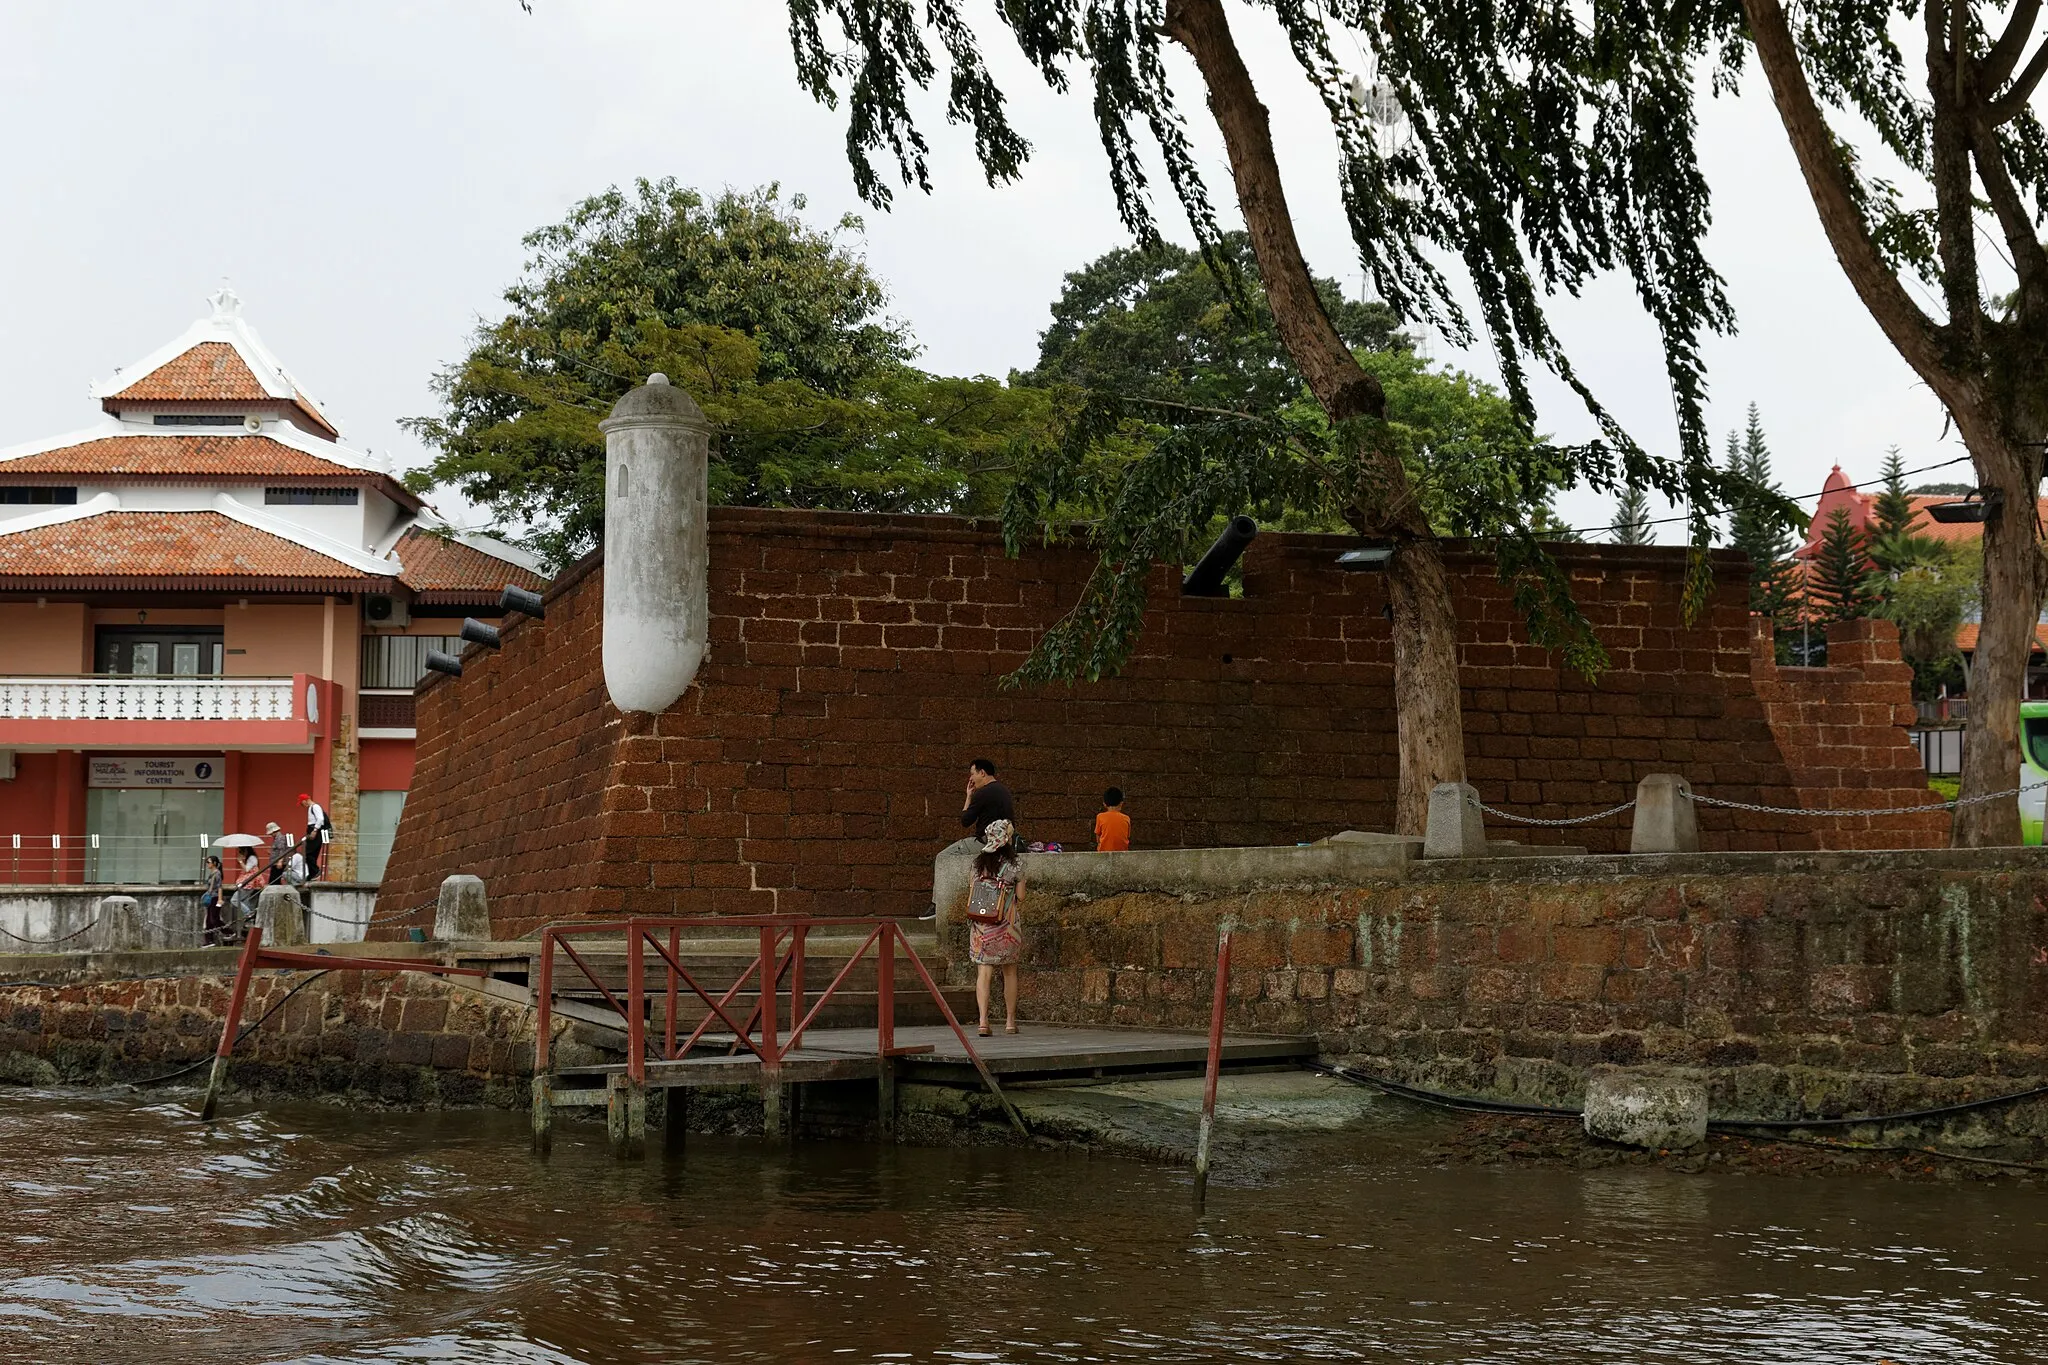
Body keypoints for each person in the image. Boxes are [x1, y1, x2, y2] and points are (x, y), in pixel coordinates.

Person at [964, 818, 1025, 1036]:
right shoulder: (1015, 864)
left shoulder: (976, 864)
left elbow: (972, 889)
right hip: (1007, 926)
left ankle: (983, 1022)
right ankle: (1010, 1022)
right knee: (1010, 972)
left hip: (982, 926)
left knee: (984, 972)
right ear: (1006, 839)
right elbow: (1021, 896)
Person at [960, 757, 1014, 843]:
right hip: (1006, 842)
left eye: (972, 774)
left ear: (982, 773)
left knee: (943, 855)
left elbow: (965, 821)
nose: (970, 779)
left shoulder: (982, 793)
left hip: (986, 842)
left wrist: (969, 796)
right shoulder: (1005, 791)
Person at [299, 793, 329, 881]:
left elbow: (320, 819)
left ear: (304, 801)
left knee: (308, 853)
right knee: (312, 854)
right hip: (312, 830)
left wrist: (315, 830)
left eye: (302, 803)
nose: (302, 805)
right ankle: (312, 874)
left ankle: (315, 872)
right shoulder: (312, 808)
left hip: (314, 830)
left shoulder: (315, 807)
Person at [1094, 787, 1131, 852]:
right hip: (1123, 852)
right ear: (1121, 803)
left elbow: (1098, 839)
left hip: (1104, 852)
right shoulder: (1126, 818)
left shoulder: (1100, 817)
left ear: (1104, 804)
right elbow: (1127, 836)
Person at [200, 855, 226, 947]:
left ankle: (228, 931)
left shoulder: (217, 873)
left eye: (209, 862)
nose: (207, 864)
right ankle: (209, 940)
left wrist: (219, 899)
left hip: (215, 898)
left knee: (214, 919)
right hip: (211, 897)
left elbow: (219, 887)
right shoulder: (212, 873)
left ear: (214, 863)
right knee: (209, 921)